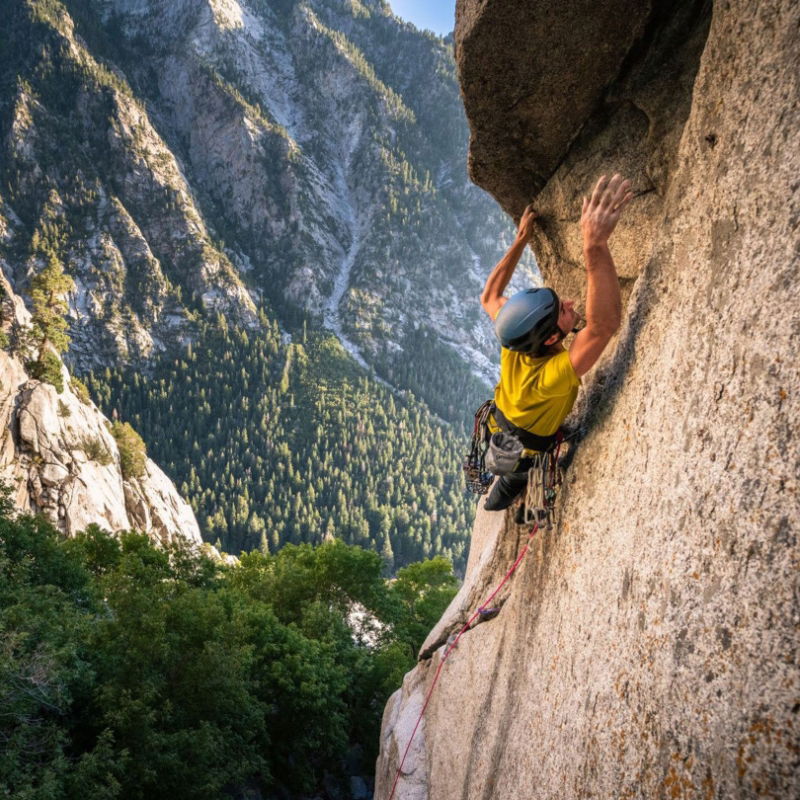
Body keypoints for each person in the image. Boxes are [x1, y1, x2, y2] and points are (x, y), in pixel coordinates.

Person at [480, 173, 634, 512]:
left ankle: (500, 484)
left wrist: (522, 239)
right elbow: (602, 326)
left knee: (500, 469)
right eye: (561, 311)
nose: (570, 303)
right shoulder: (549, 378)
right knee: (510, 480)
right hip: (525, 449)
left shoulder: (514, 338)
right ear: (551, 338)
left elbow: (489, 296)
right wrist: (594, 245)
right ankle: (506, 489)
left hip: (499, 424)